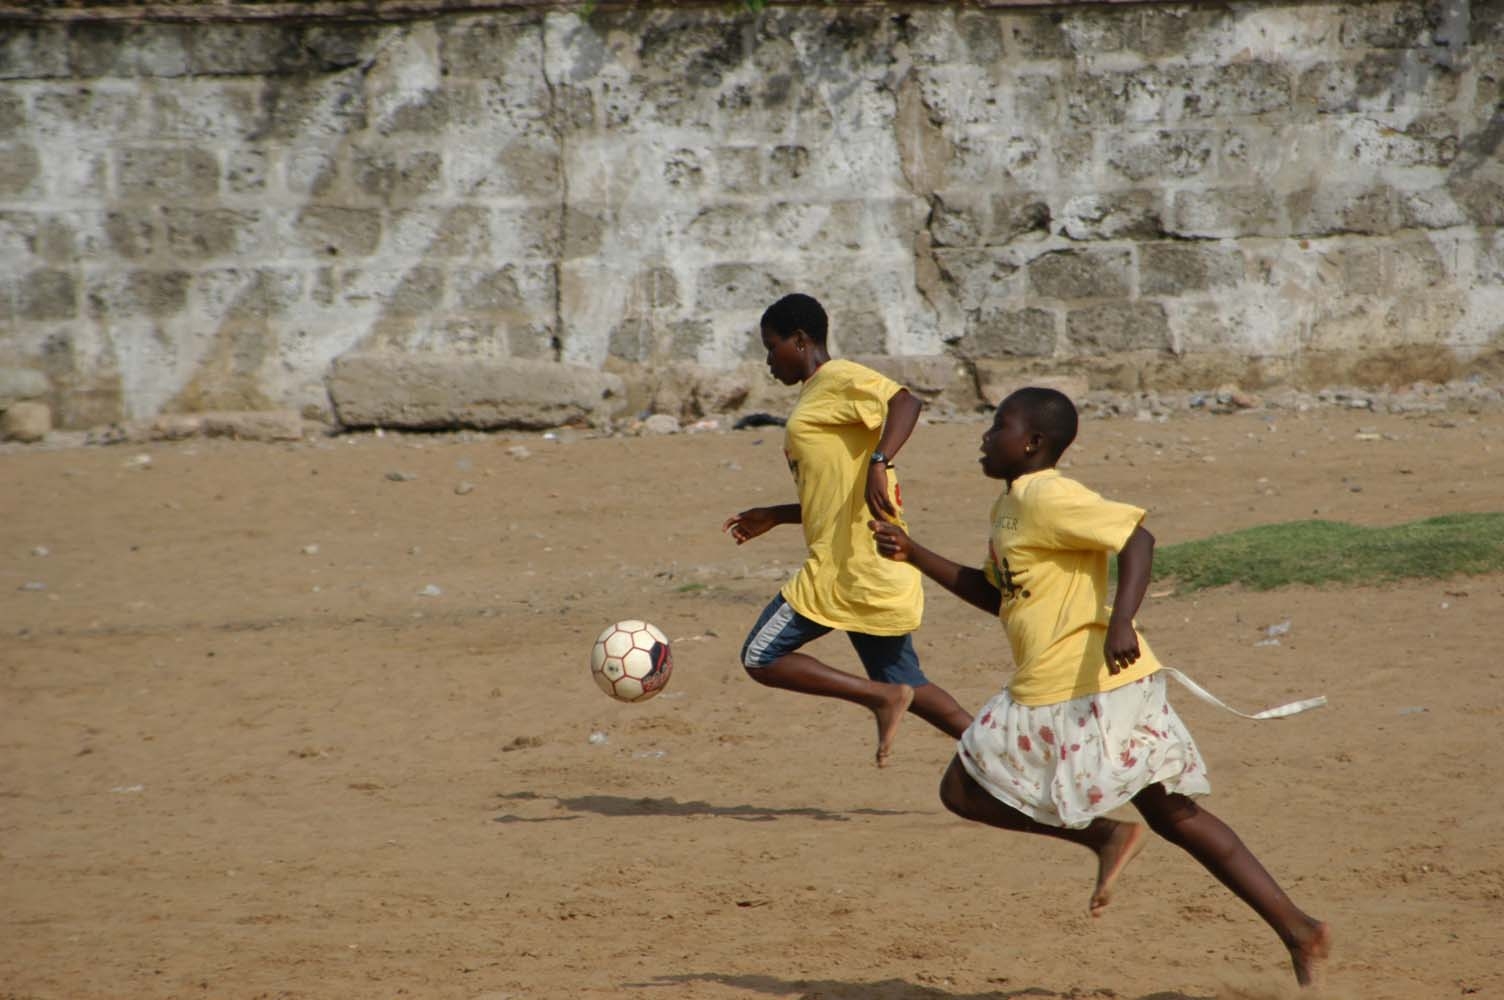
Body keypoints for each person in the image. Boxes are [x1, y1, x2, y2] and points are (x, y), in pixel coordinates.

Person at [868, 386, 1332, 988]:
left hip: (1086, 687)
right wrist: (913, 553)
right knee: (1172, 814)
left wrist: (1120, 620)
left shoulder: (1052, 496)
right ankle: (1299, 929)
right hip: (1065, 683)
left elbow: (1138, 539)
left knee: (964, 787)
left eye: (998, 426)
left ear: (1033, 443)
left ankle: (1110, 836)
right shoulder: (1010, 506)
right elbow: (997, 595)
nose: (985, 436)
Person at [722, 293, 971, 767]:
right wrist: (776, 514)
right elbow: (834, 493)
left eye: (771, 347)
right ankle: (1005, 756)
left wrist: (881, 460)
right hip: (871, 567)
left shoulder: (835, 379)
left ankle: (879, 699)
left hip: (845, 569)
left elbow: (905, 402)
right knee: (911, 686)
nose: (768, 360)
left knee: (761, 655)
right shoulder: (819, 397)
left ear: (800, 341)